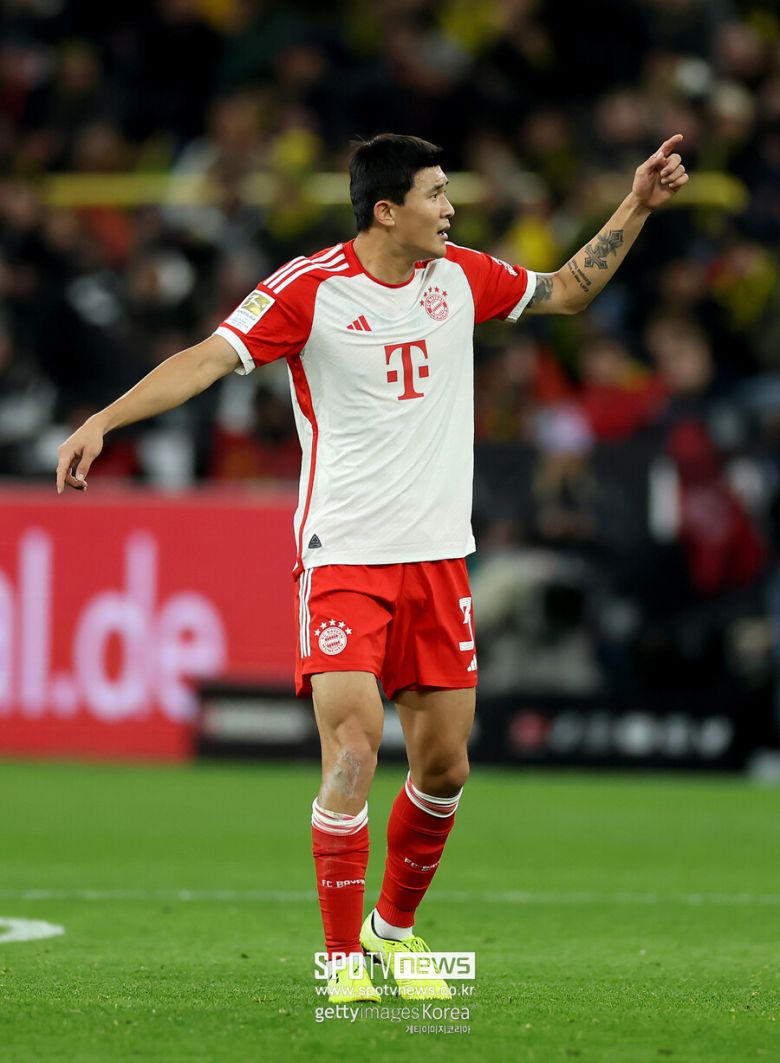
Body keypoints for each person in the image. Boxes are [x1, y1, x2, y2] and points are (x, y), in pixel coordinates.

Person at [56, 132, 689, 1003]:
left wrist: (637, 204)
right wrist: (104, 420)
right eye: (436, 193)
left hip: (438, 560)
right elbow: (206, 359)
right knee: (353, 749)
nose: (451, 208)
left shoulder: (460, 277)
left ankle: (390, 931)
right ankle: (339, 962)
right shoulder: (310, 288)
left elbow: (567, 291)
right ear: (387, 210)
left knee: (445, 768)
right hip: (345, 556)